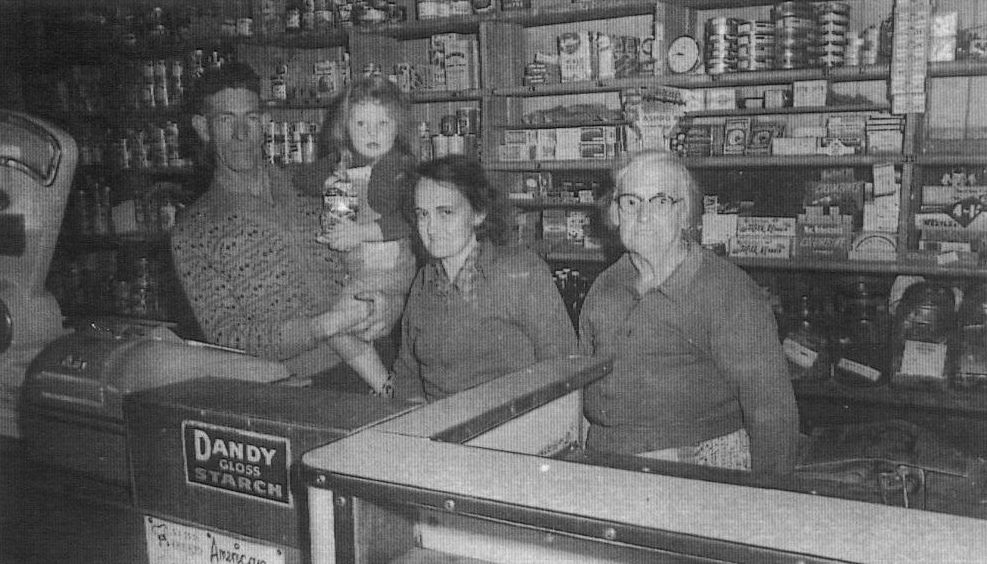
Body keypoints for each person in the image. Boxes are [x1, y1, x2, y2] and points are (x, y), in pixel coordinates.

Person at [170, 63, 414, 388]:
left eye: (251, 118)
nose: (242, 134)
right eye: (226, 120)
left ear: (266, 122)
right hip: (293, 383)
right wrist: (322, 327)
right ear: (203, 128)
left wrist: (390, 306)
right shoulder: (194, 231)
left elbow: (377, 256)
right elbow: (227, 335)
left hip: (379, 355)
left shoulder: (314, 186)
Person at [578, 150, 799, 475]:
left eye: (660, 202)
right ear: (615, 213)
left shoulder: (725, 289)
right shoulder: (606, 285)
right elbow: (580, 383)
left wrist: (766, 501)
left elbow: (772, 411)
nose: (643, 216)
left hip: (694, 466)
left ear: (685, 214)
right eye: (631, 202)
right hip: (607, 460)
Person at [380, 155, 578, 401]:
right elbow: (407, 371)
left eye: (446, 213)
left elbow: (563, 366)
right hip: (435, 428)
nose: (431, 228)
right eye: (423, 214)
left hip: (511, 429)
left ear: (478, 213)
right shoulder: (424, 280)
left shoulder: (520, 272)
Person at [294, 75, 419, 393]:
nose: (372, 133)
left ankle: (386, 387)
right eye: (361, 124)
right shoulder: (343, 162)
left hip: (387, 268)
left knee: (332, 324)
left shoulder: (400, 167)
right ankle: (389, 385)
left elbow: (408, 220)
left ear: (397, 127)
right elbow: (300, 178)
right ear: (345, 128)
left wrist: (360, 233)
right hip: (357, 270)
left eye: (382, 123)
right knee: (337, 322)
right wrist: (326, 182)